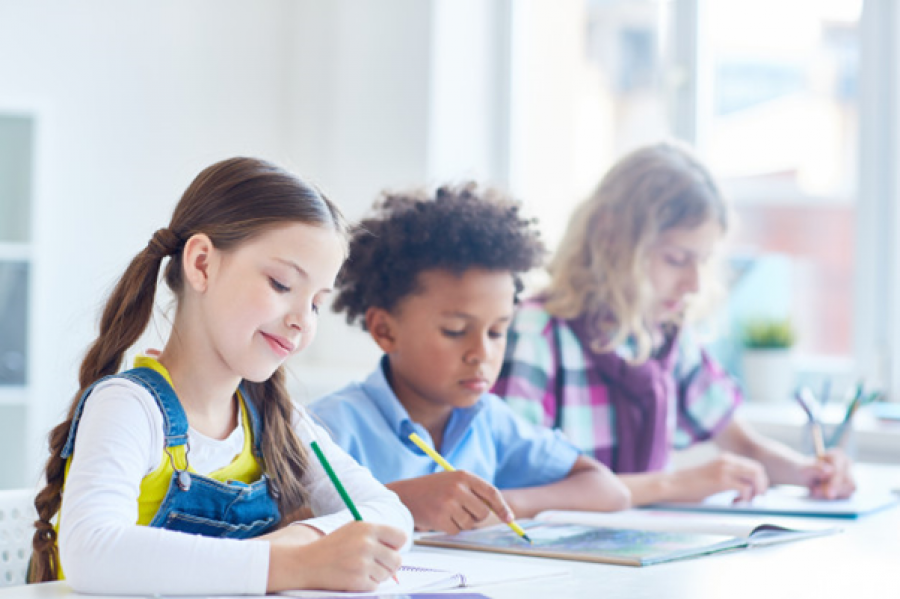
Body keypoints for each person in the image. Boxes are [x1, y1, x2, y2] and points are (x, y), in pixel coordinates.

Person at [29, 157, 412, 595]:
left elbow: (388, 512)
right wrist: (285, 564)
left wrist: (303, 542)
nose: (302, 321)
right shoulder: (129, 407)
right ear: (202, 265)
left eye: (316, 303)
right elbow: (90, 552)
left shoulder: (279, 420)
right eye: (282, 285)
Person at [493, 141, 856, 506]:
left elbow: (745, 446)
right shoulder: (536, 332)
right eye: (676, 258)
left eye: (702, 261)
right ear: (610, 238)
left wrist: (808, 471)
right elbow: (512, 488)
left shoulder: (665, 335)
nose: (694, 284)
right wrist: (674, 484)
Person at [309, 184, 630, 535]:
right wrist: (394, 502)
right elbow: (276, 525)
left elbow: (609, 490)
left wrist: (502, 507)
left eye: (496, 332)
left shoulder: (490, 421)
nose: (482, 353)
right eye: (455, 330)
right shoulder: (329, 428)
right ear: (385, 330)